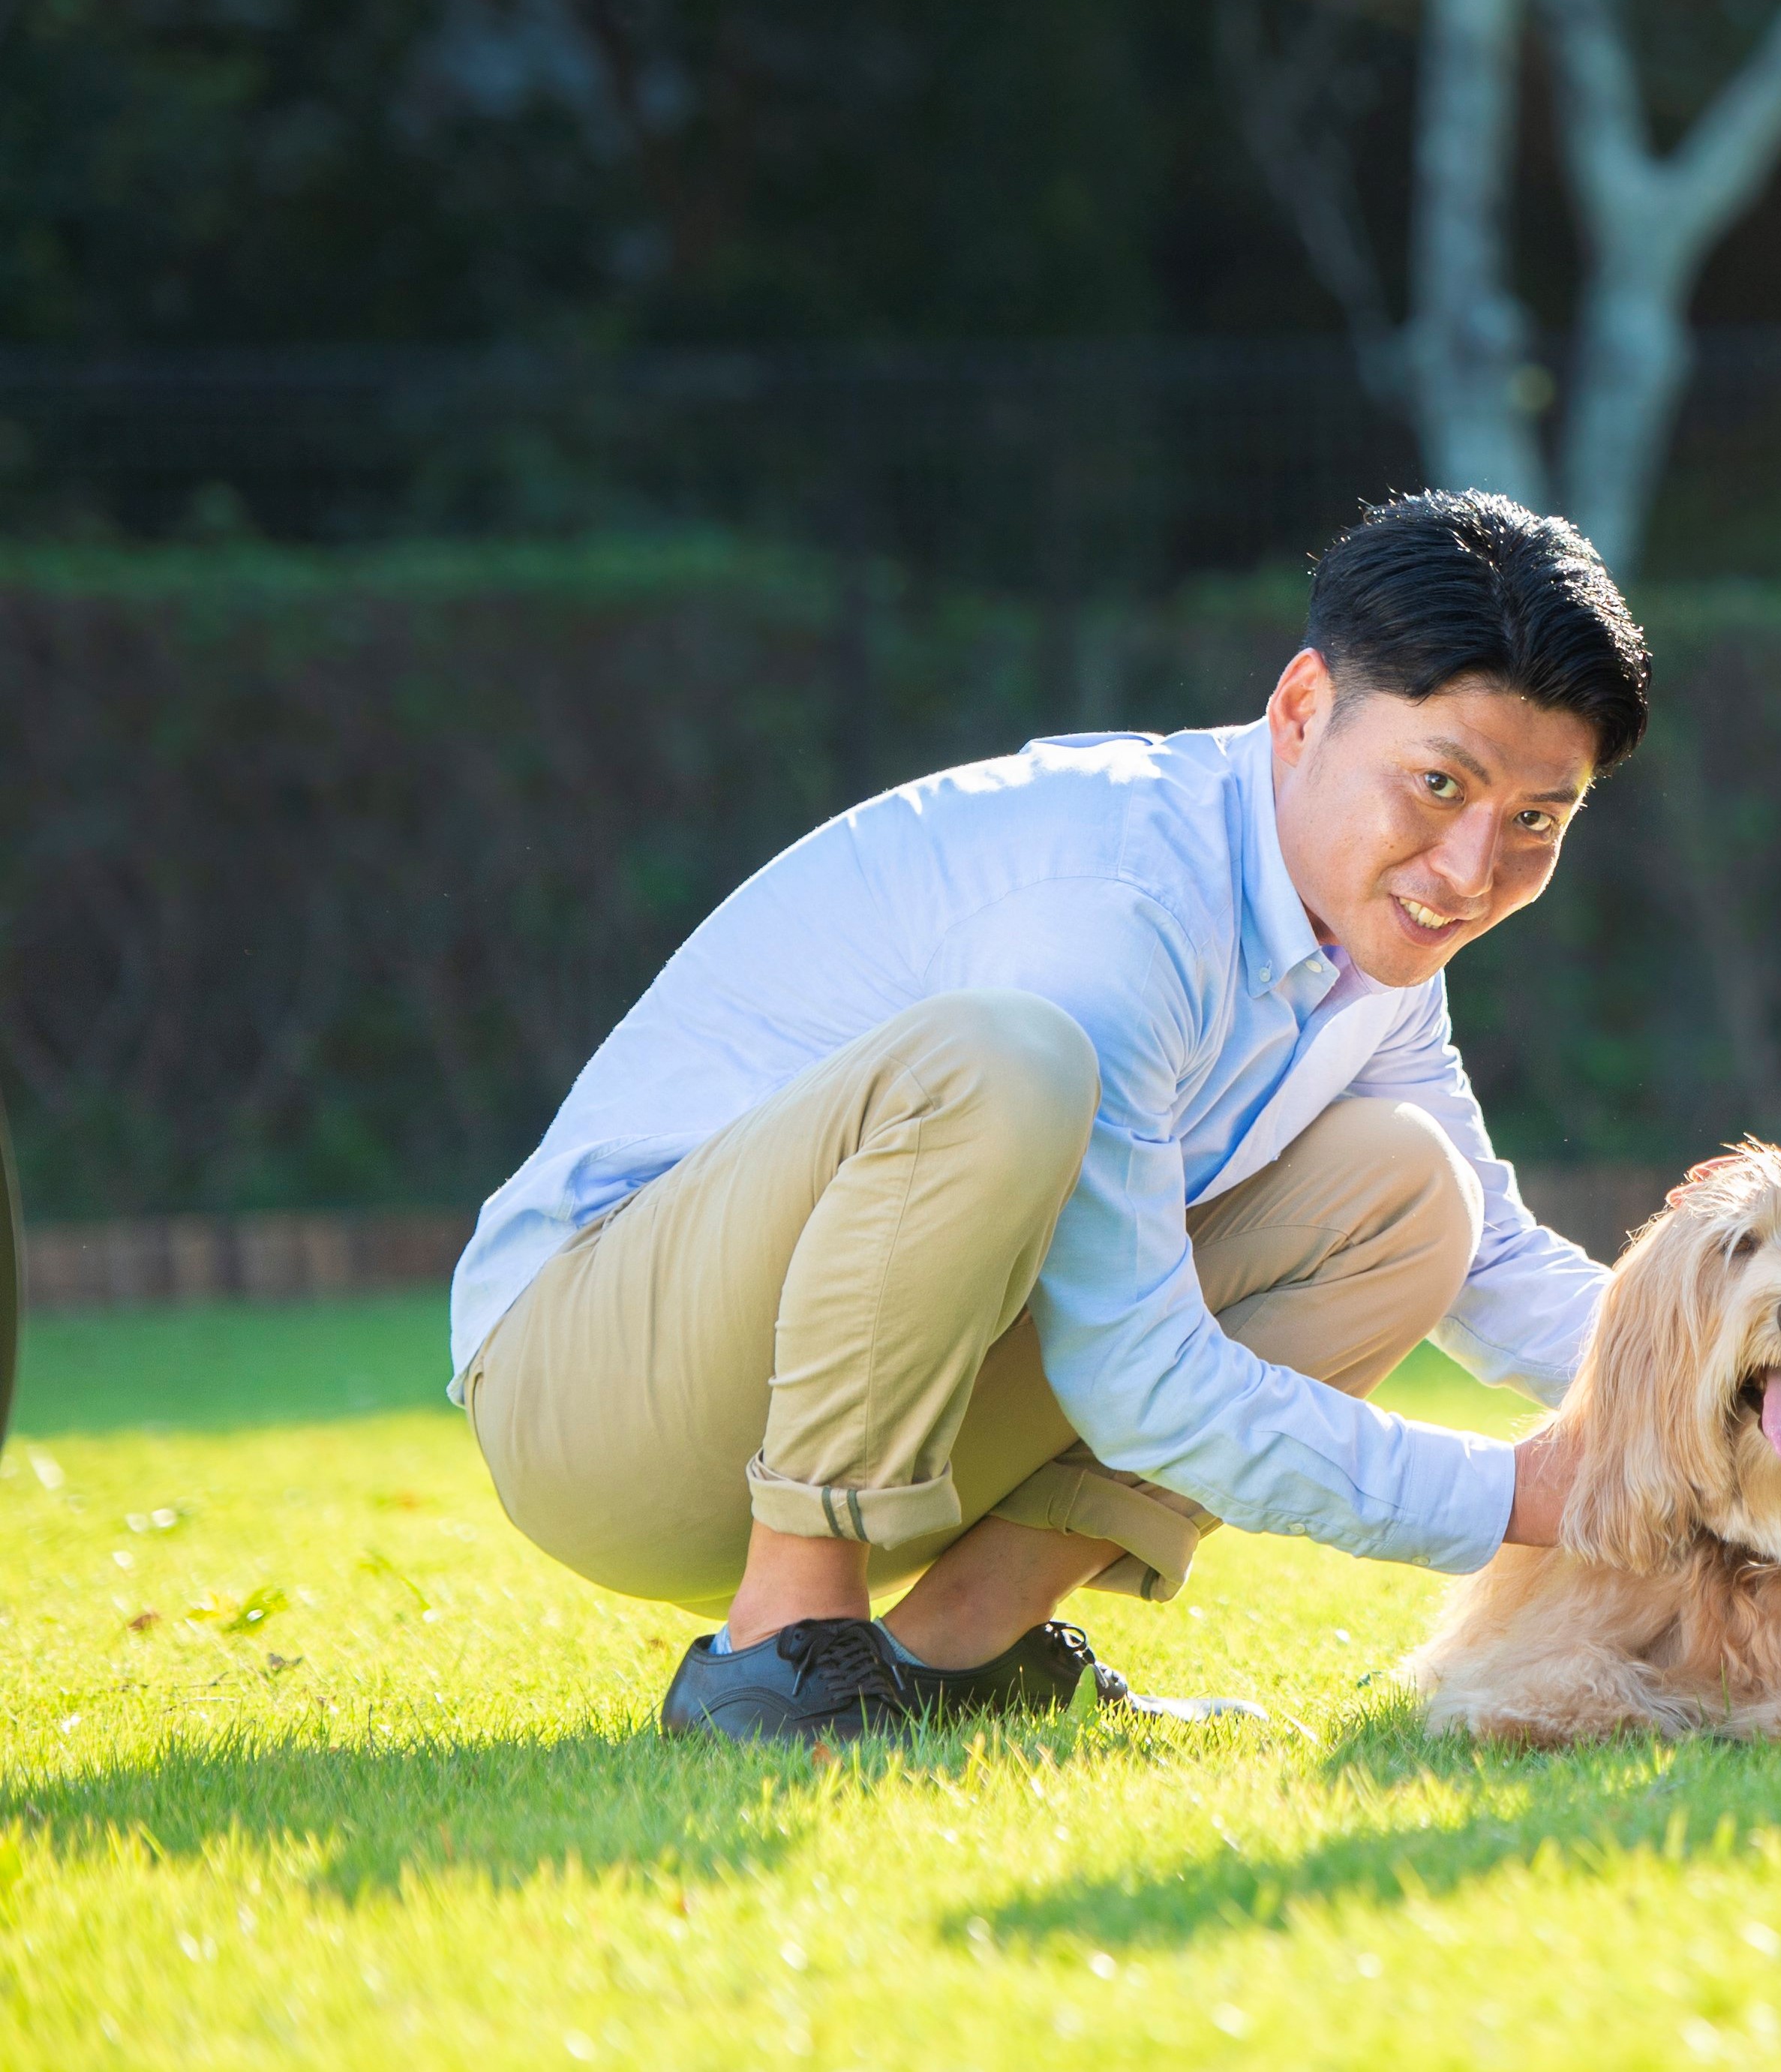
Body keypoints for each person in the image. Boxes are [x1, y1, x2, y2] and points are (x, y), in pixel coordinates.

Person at [447, 491, 1622, 1741]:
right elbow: (1141, 1380)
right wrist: (1523, 1492)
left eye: (1536, 822)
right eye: (1440, 785)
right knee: (1002, 1060)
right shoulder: (1118, 897)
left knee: (1408, 1194)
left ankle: (954, 1660)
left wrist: (1776, 1361)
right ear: (1300, 711)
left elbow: (1489, 1259)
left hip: (870, 1404)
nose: (1470, 870)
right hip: (596, 1390)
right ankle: (781, 1651)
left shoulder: (1369, 943)